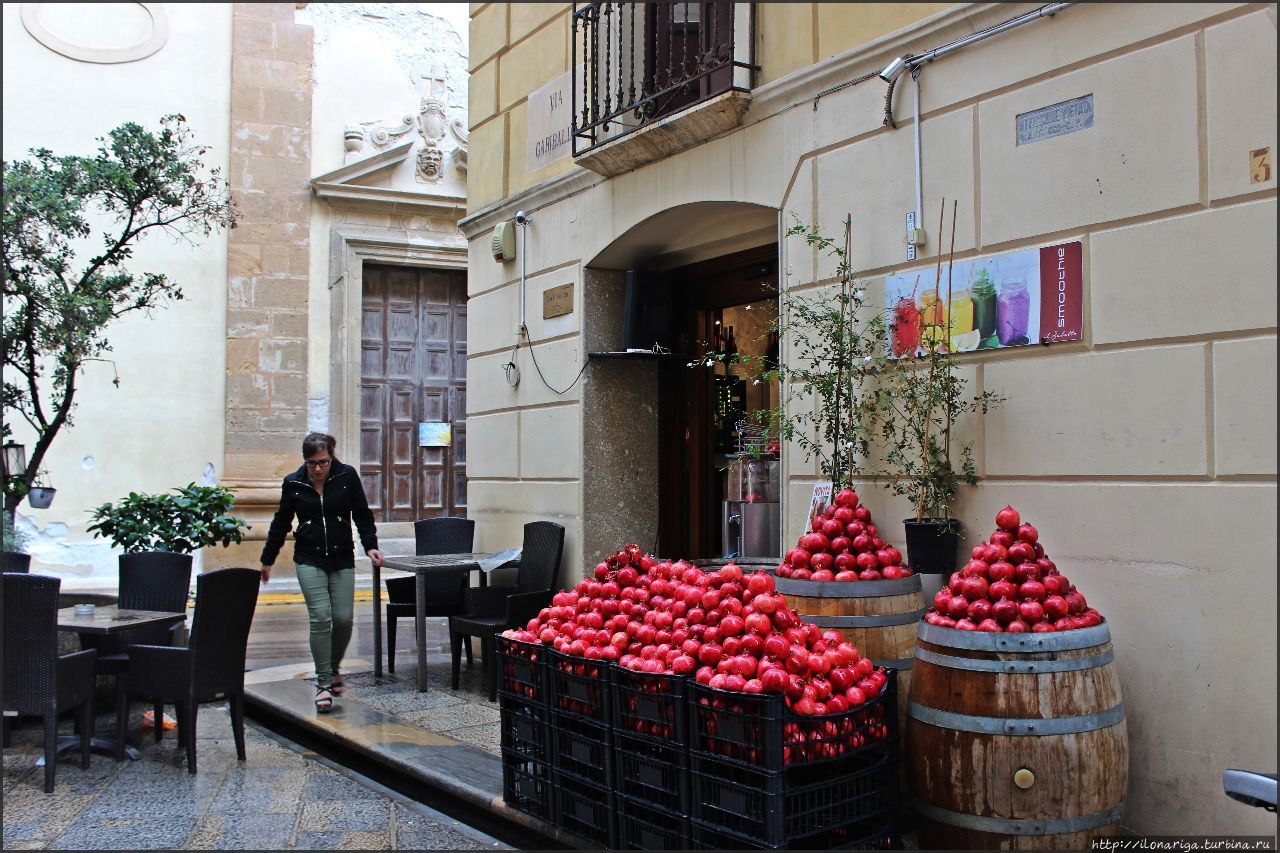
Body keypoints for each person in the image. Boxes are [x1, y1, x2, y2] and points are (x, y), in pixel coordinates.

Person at [259, 432, 384, 713]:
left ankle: (334, 666)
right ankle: (324, 682)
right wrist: (268, 559)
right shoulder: (293, 482)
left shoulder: (346, 476)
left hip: (341, 557)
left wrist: (371, 546)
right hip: (308, 557)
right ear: (305, 460)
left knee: (342, 618)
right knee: (320, 617)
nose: (317, 468)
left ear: (332, 457)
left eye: (323, 462)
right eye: (312, 463)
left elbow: (362, 514)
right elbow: (281, 522)